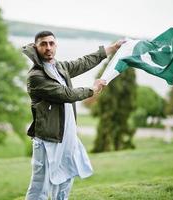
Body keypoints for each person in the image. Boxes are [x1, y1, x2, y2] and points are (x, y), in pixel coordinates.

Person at [22, 31, 124, 200]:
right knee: (39, 186)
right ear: (36, 47)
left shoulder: (59, 67)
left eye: (51, 43)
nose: (48, 48)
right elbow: (66, 94)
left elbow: (83, 63)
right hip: (48, 140)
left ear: (56, 45)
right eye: (43, 44)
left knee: (65, 179)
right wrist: (93, 89)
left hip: (67, 136)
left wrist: (112, 48)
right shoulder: (36, 77)